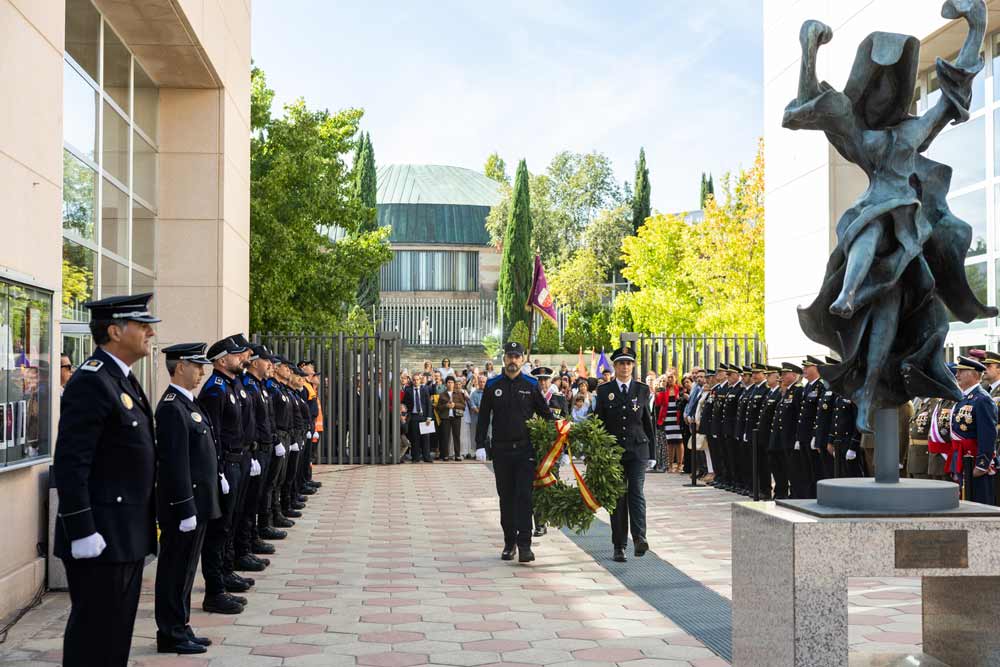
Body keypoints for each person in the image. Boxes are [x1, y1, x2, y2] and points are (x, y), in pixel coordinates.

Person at [52, 293, 160, 667]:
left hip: (124, 533)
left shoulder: (121, 379)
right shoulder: (92, 381)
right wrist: (81, 529)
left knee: (115, 637)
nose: (150, 331)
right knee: (94, 638)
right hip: (100, 537)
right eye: (141, 325)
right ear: (115, 331)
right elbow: (70, 463)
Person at [154, 343, 219, 655]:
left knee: (186, 570)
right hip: (184, 505)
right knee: (173, 570)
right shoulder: (171, 407)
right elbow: (174, 463)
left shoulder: (188, 404)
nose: (201, 372)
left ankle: (181, 625)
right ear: (179, 366)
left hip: (198, 502)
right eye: (196, 366)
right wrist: (184, 507)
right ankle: (170, 632)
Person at [475, 342, 554, 563]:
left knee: (524, 498)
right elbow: (483, 418)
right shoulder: (493, 385)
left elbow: (546, 415)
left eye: (516, 357)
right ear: (504, 359)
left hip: (524, 451)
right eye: (509, 356)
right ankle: (509, 542)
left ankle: (525, 545)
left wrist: (561, 439)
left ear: (522, 360)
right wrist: (480, 444)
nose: (512, 360)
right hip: (501, 451)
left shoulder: (530, 384)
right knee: (506, 499)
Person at [198, 336, 252, 614]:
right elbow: (213, 435)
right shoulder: (215, 389)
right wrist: (218, 470)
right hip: (226, 465)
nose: (241, 359)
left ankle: (226, 572)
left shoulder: (231, 384)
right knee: (219, 528)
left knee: (230, 522)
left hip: (239, 460)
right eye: (235, 355)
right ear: (221, 361)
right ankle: (214, 590)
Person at [594, 347, 655, 563]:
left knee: (636, 492)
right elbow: (598, 423)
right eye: (621, 363)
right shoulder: (604, 391)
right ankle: (619, 545)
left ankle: (639, 537)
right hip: (614, 452)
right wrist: (596, 451)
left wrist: (653, 452)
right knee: (618, 497)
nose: (625, 367)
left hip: (638, 449)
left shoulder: (642, 390)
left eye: (629, 363)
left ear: (633, 366)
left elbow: (648, 422)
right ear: (615, 366)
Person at [951, 356, 998, 505]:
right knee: (964, 501)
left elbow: (988, 434)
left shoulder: (982, 399)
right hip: (962, 459)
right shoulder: (964, 398)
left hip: (974, 460)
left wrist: (982, 464)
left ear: (973, 374)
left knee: (979, 503)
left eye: (961, 371)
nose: (957, 375)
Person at [770, 362, 803, 500]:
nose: (782, 377)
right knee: (781, 466)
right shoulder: (787, 391)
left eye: (785, 374)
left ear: (794, 375)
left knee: (793, 469)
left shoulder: (798, 391)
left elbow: (799, 416)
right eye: (781, 374)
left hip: (790, 437)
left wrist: (797, 438)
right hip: (781, 437)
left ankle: (795, 493)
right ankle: (783, 492)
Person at [654, 373, 683, 473]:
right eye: (668, 378)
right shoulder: (663, 389)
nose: (670, 379)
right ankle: (670, 465)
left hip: (677, 418)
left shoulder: (679, 388)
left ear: (675, 378)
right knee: (670, 442)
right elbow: (658, 403)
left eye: (672, 377)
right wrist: (659, 392)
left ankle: (679, 465)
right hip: (667, 418)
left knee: (679, 442)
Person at [403, 372, 433, 463]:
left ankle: (426, 457)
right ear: (412, 381)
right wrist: (406, 415)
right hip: (414, 416)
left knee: (425, 438)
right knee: (415, 438)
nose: (416, 381)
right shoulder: (408, 391)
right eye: (414, 380)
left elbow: (428, 404)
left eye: (418, 380)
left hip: (424, 417)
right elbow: (405, 404)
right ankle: (415, 457)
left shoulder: (425, 390)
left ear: (420, 380)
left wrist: (429, 417)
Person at [435, 376, 466, 461]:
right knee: (445, 437)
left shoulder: (459, 393)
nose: (450, 384)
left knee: (456, 436)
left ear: (454, 384)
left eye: (452, 382)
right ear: (446, 384)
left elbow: (463, 406)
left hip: (456, 417)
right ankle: (445, 455)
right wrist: (446, 406)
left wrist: (455, 405)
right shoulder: (442, 395)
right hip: (445, 418)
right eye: (448, 382)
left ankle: (457, 455)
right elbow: (438, 407)